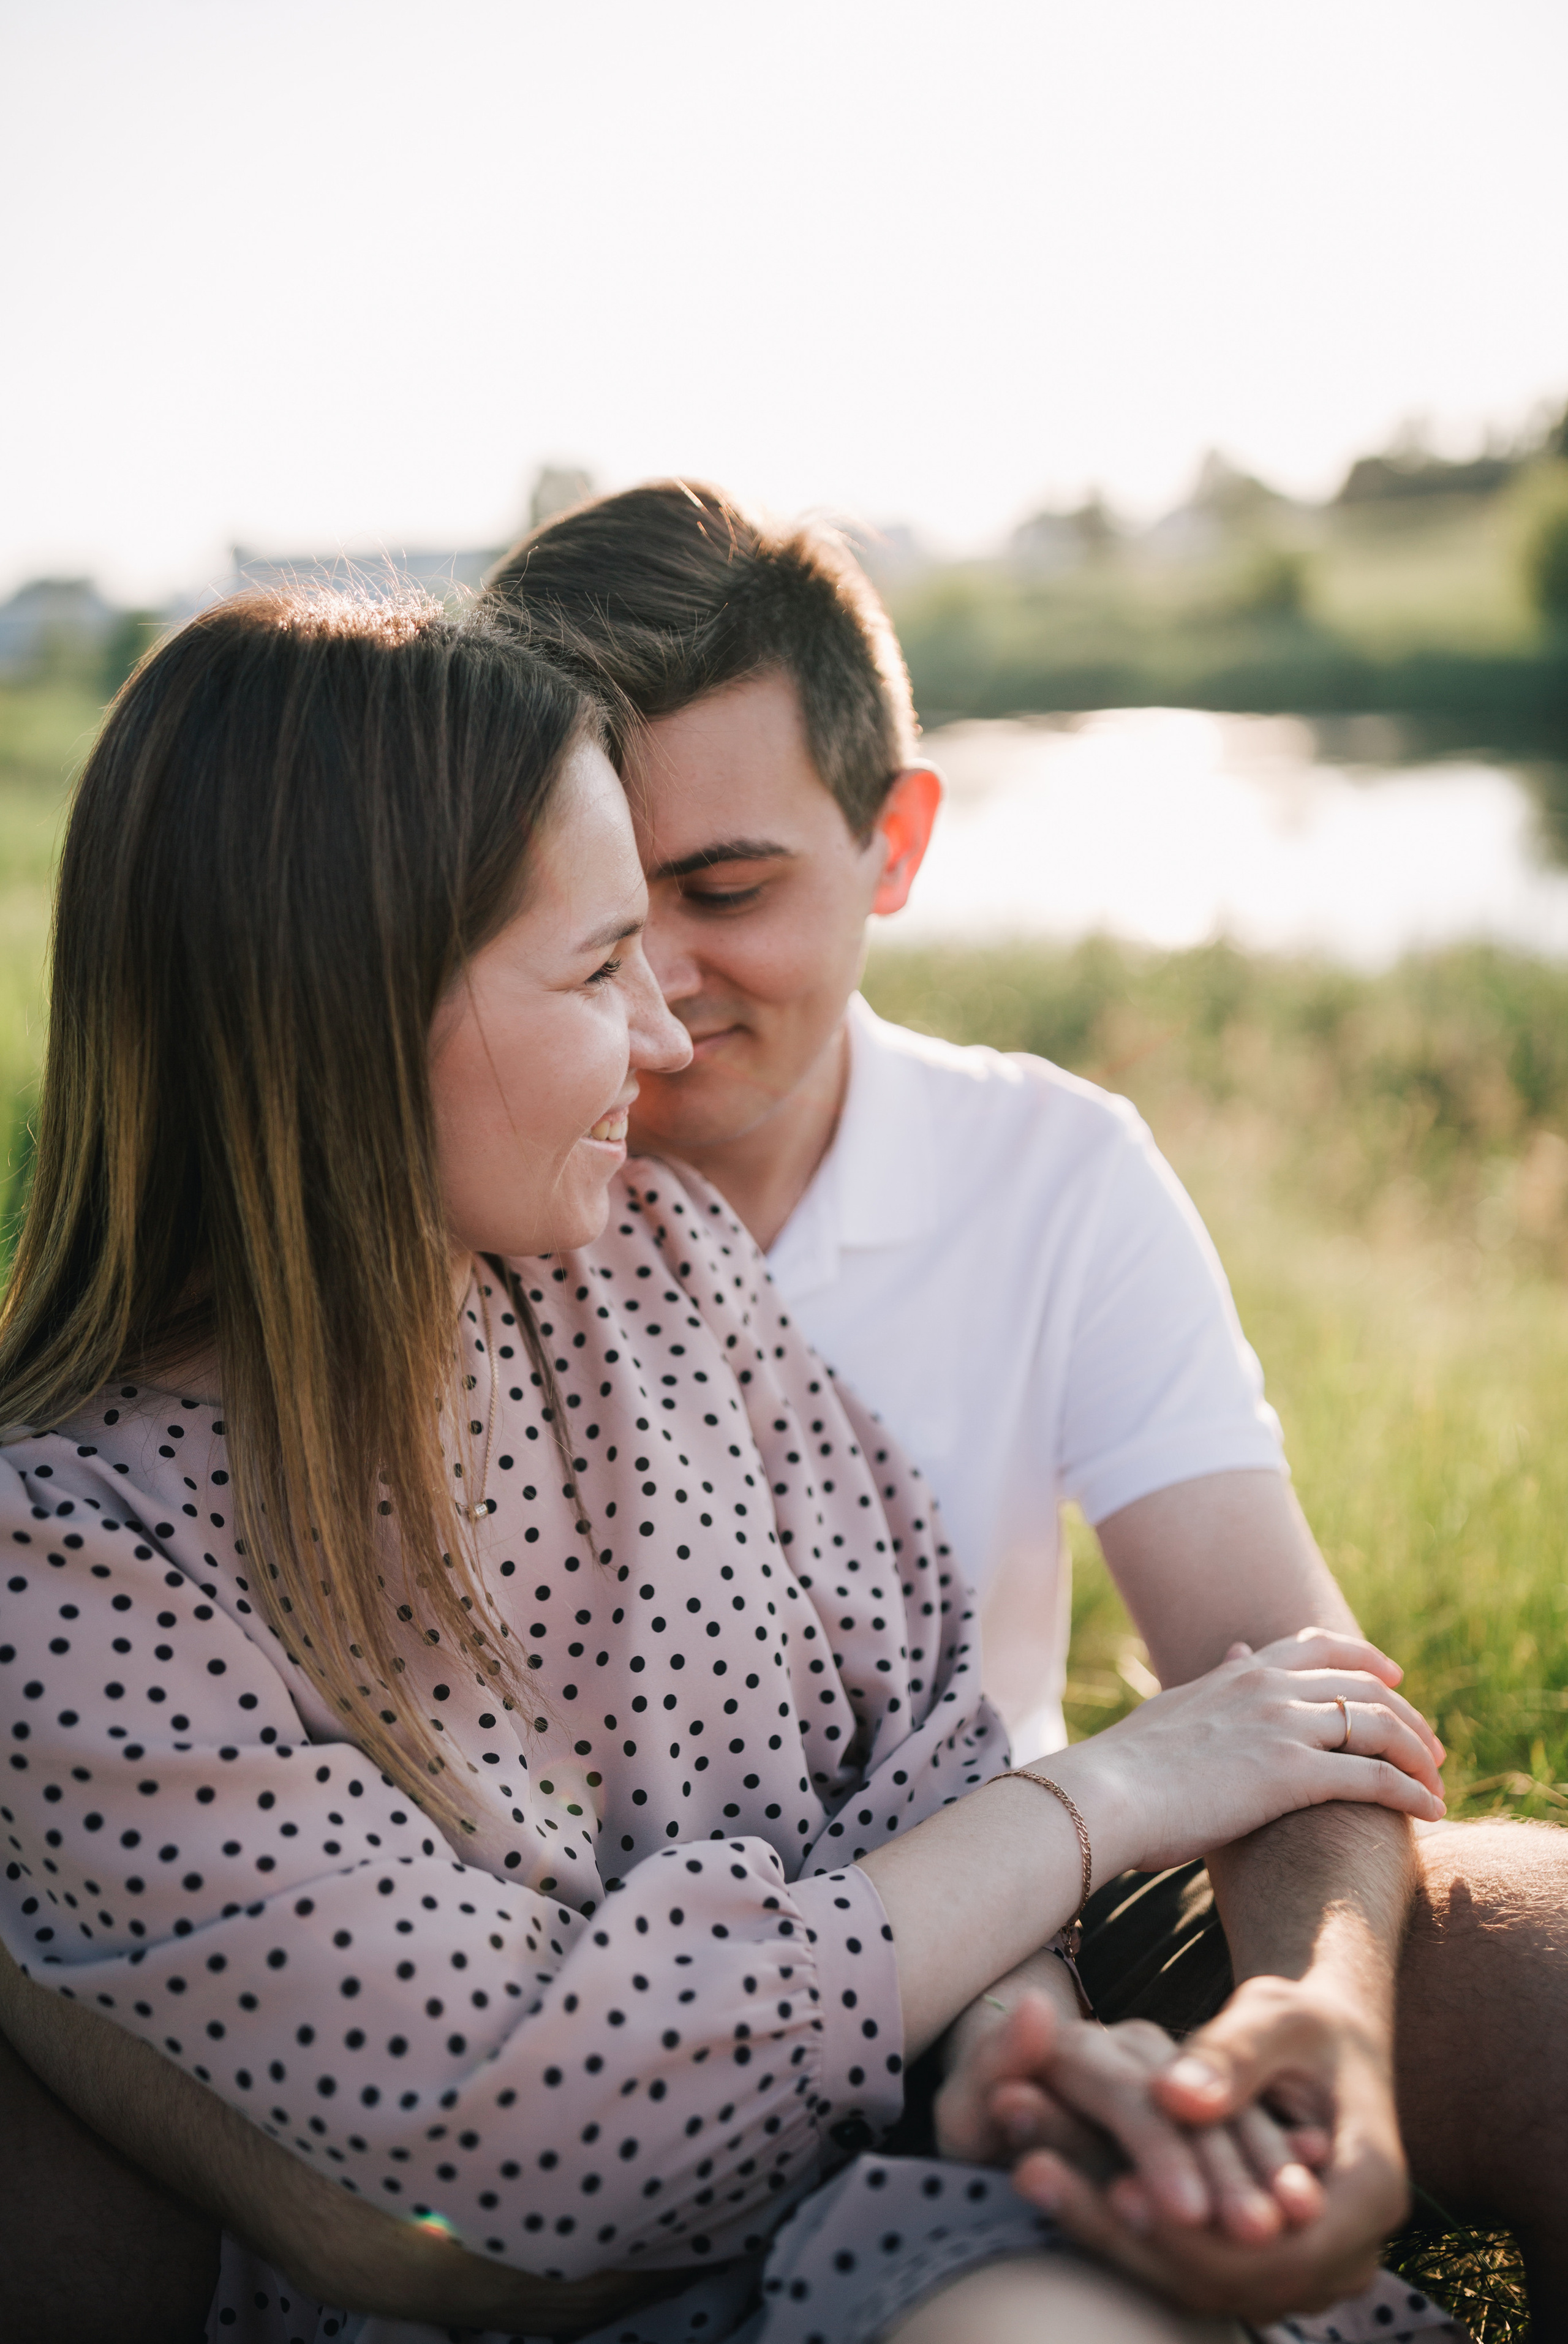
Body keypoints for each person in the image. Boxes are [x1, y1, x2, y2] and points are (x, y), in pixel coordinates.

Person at [0, 586, 1455, 2344]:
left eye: (693, 917)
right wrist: (1108, 1795)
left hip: (936, 2166)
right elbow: (521, 2133)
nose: (667, 1036)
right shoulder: (72, 1560)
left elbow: (917, 1754)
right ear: (345, 1013)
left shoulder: (661, 1263)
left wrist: (1026, 2054)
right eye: (597, 963)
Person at [480, 480, 1568, 2324]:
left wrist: (1319, 2013)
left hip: (1031, 1922)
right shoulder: (448, 1191)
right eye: (579, 904)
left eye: (725, 890)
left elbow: (1287, 1685)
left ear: (895, 842)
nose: (652, 983)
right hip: (594, 2006)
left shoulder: (1051, 1172)